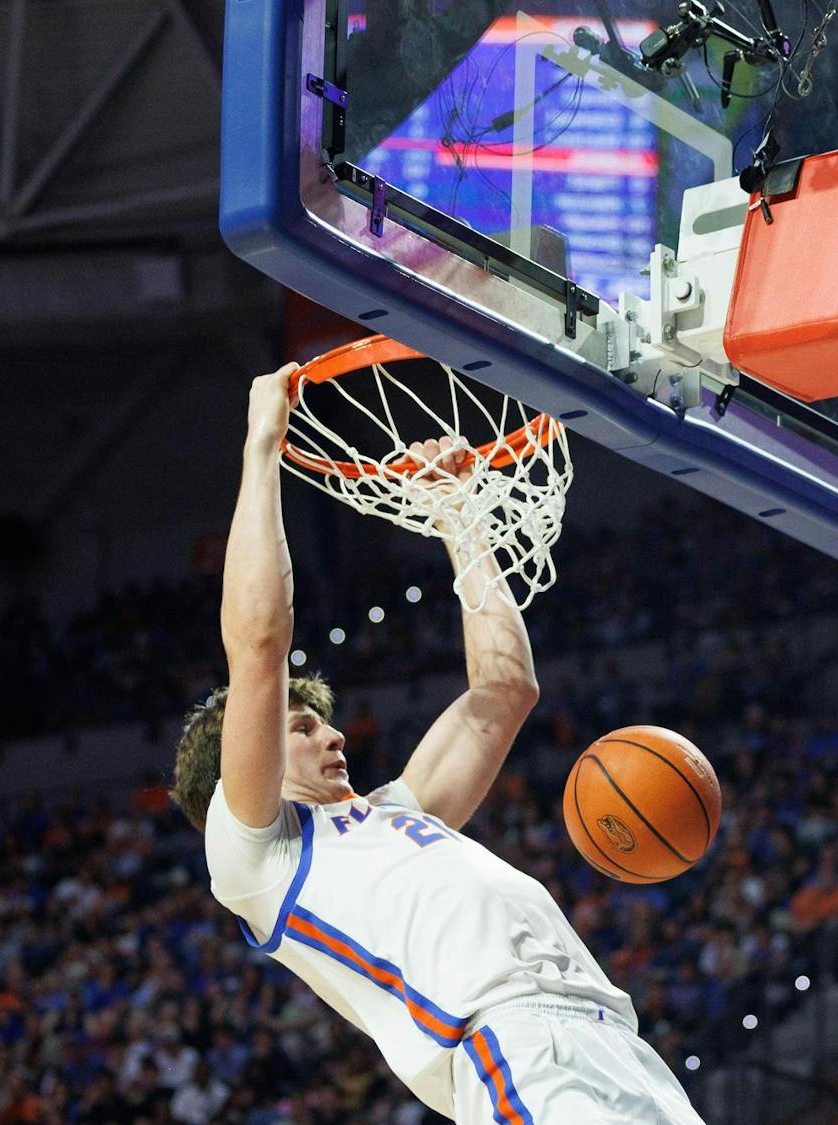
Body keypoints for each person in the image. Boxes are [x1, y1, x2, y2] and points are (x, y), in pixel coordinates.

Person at [169, 362, 705, 1123]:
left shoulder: (398, 811)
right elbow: (258, 641)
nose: (332, 731)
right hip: (513, 1048)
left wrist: (457, 513)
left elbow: (505, 690)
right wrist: (262, 446)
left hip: (612, 1037)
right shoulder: (257, 854)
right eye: (300, 723)